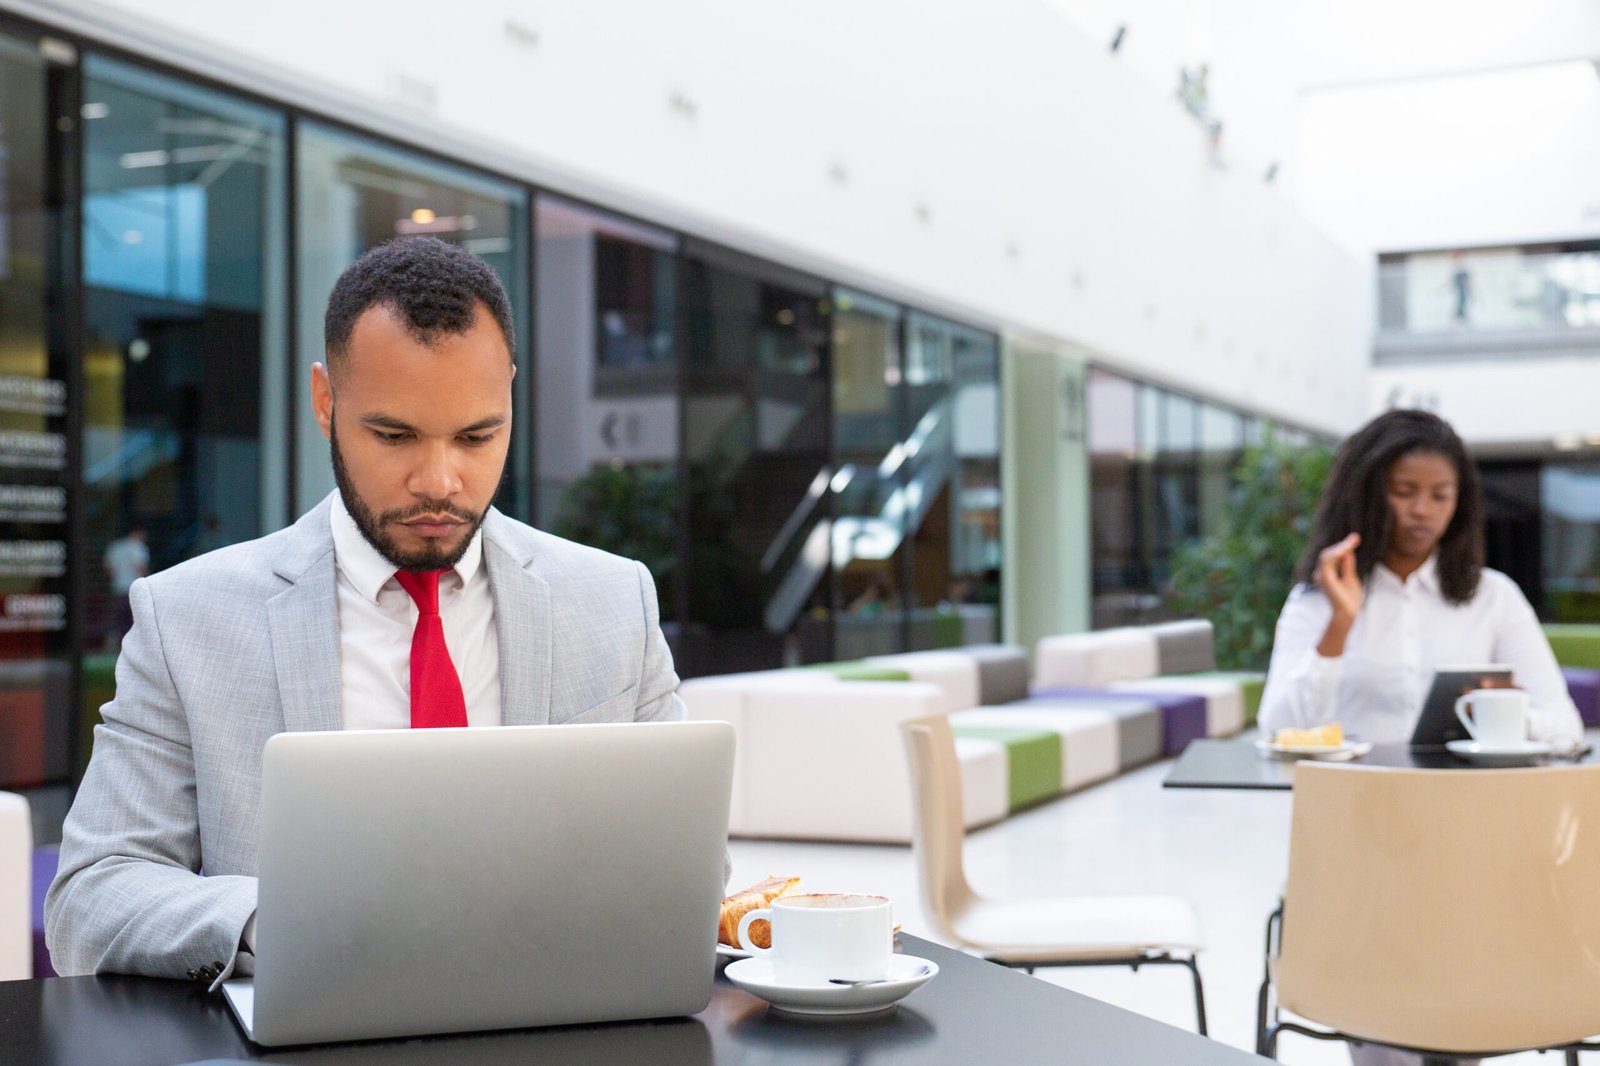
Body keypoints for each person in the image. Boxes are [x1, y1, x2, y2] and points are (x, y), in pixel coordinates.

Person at [46, 237, 689, 985]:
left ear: (510, 397)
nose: (440, 481)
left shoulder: (615, 602)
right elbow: (92, 897)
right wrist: (273, 924)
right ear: (326, 403)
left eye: (478, 436)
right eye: (394, 435)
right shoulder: (185, 618)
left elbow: (684, 866)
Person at [1258, 409, 1580, 751]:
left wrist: (1501, 716)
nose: (1422, 510)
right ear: (1366, 495)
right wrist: (1339, 625)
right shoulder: (1320, 598)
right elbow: (1277, 730)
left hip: (1459, 798)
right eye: (1403, 491)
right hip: (1353, 796)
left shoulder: (1494, 597)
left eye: (1440, 495)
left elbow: (1566, 730)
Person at [101, 526, 148, 648]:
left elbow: (108, 570)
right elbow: (140, 568)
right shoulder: (138, 547)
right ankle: (134, 645)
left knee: (119, 618)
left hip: (118, 588)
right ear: (136, 533)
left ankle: (115, 644)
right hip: (135, 588)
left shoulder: (115, 547)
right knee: (135, 618)